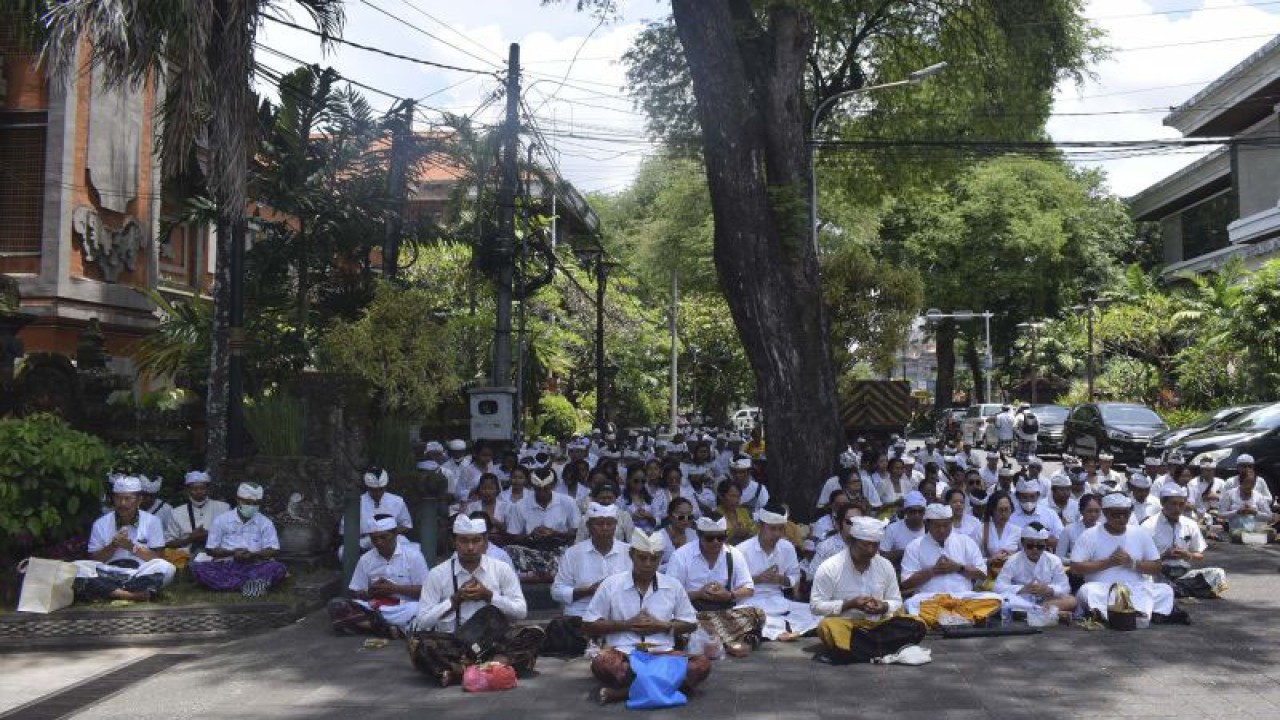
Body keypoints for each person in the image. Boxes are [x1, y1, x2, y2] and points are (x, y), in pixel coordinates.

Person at [408, 515, 545, 687]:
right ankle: (493, 668)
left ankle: (459, 671)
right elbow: (423, 620)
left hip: (495, 642)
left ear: (486, 542)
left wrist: (489, 596)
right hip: (455, 643)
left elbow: (521, 611)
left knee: (534, 633)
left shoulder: (501, 569)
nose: (470, 547)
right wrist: (453, 600)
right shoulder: (437, 574)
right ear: (454, 542)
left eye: (476, 541)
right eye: (464, 541)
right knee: (417, 643)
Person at [583, 530, 709, 705]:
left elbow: (690, 623)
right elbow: (588, 624)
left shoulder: (673, 585)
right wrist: (625, 625)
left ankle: (624, 693)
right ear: (631, 555)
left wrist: (662, 626)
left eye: (654, 558)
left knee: (701, 665)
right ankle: (667, 685)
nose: (648, 564)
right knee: (601, 663)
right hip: (624, 654)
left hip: (663, 654)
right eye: (642, 558)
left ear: (661, 558)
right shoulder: (611, 584)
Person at [810, 516, 926, 664]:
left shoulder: (885, 565)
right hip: (847, 626)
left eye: (875, 546)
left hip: (879, 624)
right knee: (826, 627)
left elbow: (896, 602)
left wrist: (883, 606)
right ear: (852, 541)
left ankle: (854, 653)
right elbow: (815, 606)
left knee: (917, 623)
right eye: (864, 545)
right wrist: (849, 604)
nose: (870, 550)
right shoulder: (830, 567)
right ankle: (885, 649)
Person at [1070, 493, 1180, 626]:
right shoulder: (1090, 535)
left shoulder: (1139, 534)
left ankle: (1124, 614)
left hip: (1136, 589)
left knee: (1165, 590)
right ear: (1105, 513)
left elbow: (1157, 567)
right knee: (1086, 591)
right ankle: (1138, 613)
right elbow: (1075, 568)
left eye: (1125, 514)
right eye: (1116, 514)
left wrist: (1132, 563)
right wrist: (1108, 563)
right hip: (1104, 589)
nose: (1121, 518)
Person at [666, 515, 764, 652]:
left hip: (723, 612)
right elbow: (669, 595)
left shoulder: (734, 554)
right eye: (710, 538)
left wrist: (729, 595)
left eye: (720, 538)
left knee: (756, 614)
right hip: (693, 614)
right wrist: (699, 594)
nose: (716, 542)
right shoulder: (681, 556)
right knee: (676, 623)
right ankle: (728, 641)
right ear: (699, 536)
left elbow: (749, 588)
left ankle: (707, 641)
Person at [548, 502, 633, 654]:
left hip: (619, 616)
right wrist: (588, 591)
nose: (605, 528)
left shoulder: (629, 552)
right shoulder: (573, 553)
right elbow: (556, 591)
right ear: (589, 525)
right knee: (560, 629)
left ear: (616, 525)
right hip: (582, 616)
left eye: (610, 523)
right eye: (599, 523)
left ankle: (600, 643)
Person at [76, 476, 177, 602]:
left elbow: (158, 557)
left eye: (128, 499)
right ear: (113, 499)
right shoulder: (101, 523)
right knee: (76, 568)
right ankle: (132, 595)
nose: (122, 503)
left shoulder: (152, 521)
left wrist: (131, 547)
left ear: (139, 500)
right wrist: (113, 546)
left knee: (167, 568)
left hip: (138, 573)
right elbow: (95, 558)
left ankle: (107, 591)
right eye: (118, 498)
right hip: (108, 572)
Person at [328, 517, 430, 637]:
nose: (379, 542)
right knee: (336, 604)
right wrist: (370, 592)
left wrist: (395, 589)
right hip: (377, 607)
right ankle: (391, 629)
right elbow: (356, 592)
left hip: (405, 607)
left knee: (422, 609)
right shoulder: (366, 559)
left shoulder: (413, 556)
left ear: (395, 534)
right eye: (374, 539)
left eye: (383, 537)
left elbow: (425, 591)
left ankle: (374, 626)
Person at [900, 504, 998, 624]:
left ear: (951, 522)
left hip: (962, 599)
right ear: (927, 524)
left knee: (996, 599)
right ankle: (961, 618)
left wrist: (958, 568)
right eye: (937, 526)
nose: (942, 530)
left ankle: (945, 618)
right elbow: (906, 584)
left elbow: (982, 574)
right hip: (931, 600)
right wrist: (933, 571)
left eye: (946, 525)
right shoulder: (914, 546)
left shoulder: (966, 541)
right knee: (911, 604)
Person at [192, 483, 288, 597]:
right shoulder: (221, 520)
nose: (252, 506)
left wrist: (253, 554)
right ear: (238, 500)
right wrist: (233, 553)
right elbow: (210, 550)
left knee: (278, 568)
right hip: (226, 565)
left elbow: (274, 549)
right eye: (248, 502)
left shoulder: (265, 522)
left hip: (255, 564)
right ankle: (251, 585)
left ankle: (236, 584)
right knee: (200, 569)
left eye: (256, 504)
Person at [735, 506, 815, 641]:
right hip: (750, 602)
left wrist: (780, 579)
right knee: (750, 618)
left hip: (778, 600)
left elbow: (794, 577)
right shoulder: (741, 550)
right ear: (760, 526)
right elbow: (733, 586)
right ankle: (779, 631)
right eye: (772, 529)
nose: (777, 534)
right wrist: (758, 579)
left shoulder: (787, 547)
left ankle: (782, 629)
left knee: (815, 612)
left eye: (781, 529)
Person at [993, 523, 1076, 619]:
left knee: (1071, 600)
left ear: (1045, 545)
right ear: (1023, 544)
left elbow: (1065, 587)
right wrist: (1023, 589)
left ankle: (1036, 612)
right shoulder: (1013, 560)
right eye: (1030, 545)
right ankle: (1048, 613)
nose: (1035, 549)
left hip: (1046, 601)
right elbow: (998, 587)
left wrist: (1049, 589)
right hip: (1021, 600)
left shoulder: (1054, 560)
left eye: (1040, 546)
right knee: (1002, 600)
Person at [339, 467, 413, 559]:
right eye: (374, 490)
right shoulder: (357, 502)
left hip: (391, 538)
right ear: (368, 487)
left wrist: (388, 534)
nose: (378, 493)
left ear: (385, 486)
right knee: (343, 552)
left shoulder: (397, 501)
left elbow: (407, 525)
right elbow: (344, 532)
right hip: (364, 541)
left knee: (408, 547)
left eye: (381, 489)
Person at [164, 470, 231, 558]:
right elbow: (169, 543)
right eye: (194, 489)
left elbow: (233, 536)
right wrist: (190, 538)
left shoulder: (224, 508)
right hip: (186, 559)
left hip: (218, 557)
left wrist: (210, 535)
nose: (199, 492)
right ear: (187, 490)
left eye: (202, 488)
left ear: (208, 489)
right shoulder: (176, 512)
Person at [1219, 454, 1274, 537]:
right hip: (1235, 531)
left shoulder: (1258, 494)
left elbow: (1269, 515)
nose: (1247, 469)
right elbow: (1221, 512)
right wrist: (1237, 511)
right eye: (1244, 466)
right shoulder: (1230, 488)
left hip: (1256, 531)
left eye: (1250, 466)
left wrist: (1254, 511)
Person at [1008, 478, 1065, 543]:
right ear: (1017, 496)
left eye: (1032, 496)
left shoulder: (1050, 514)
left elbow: (1061, 537)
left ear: (1038, 495)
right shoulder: (1010, 516)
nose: (1028, 500)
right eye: (1024, 497)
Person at [879, 491, 927, 566]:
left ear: (924, 512)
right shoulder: (893, 529)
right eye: (912, 511)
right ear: (906, 512)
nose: (916, 515)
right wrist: (906, 552)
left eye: (920, 511)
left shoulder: (930, 528)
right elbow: (882, 556)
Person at [977, 491, 1021, 564]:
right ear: (992, 510)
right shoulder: (981, 529)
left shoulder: (1018, 531)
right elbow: (973, 558)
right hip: (989, 572)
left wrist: (1012, 557)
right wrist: (990, 560)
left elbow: (1025, 556)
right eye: (1000, 510)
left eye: (1006, 509)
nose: (1003, 514)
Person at [659, 497, 698, 569]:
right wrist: (677, 565)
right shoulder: (659, 537)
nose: (686, 520)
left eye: (689, 516)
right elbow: (654, 568)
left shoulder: (693, 534)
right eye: (681, 516)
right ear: (670, 516)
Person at [716, 479, 758, 544]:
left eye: (738, 496)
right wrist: (734, 534)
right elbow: (713, 543)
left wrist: (748, 531)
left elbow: (755, 533)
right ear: (721, 496)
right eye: (732, 496)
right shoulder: (715, 515)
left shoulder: (743, 512)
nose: (736, 500)